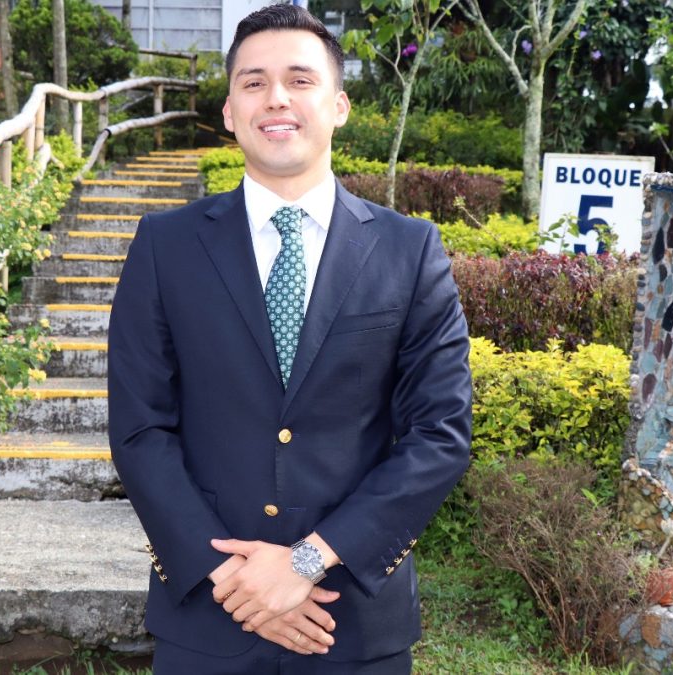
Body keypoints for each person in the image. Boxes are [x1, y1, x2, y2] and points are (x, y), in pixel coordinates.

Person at [107, 5, 473, 674]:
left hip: (351, 619)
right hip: (208, 616)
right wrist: (238, 582)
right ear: (228, 111)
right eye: (253, 82)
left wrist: (306, 560)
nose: (275, 97)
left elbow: (440, 433)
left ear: (338, 105)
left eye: (299, 80)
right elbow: (139, 429)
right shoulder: (165, 247)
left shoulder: (409, 250)